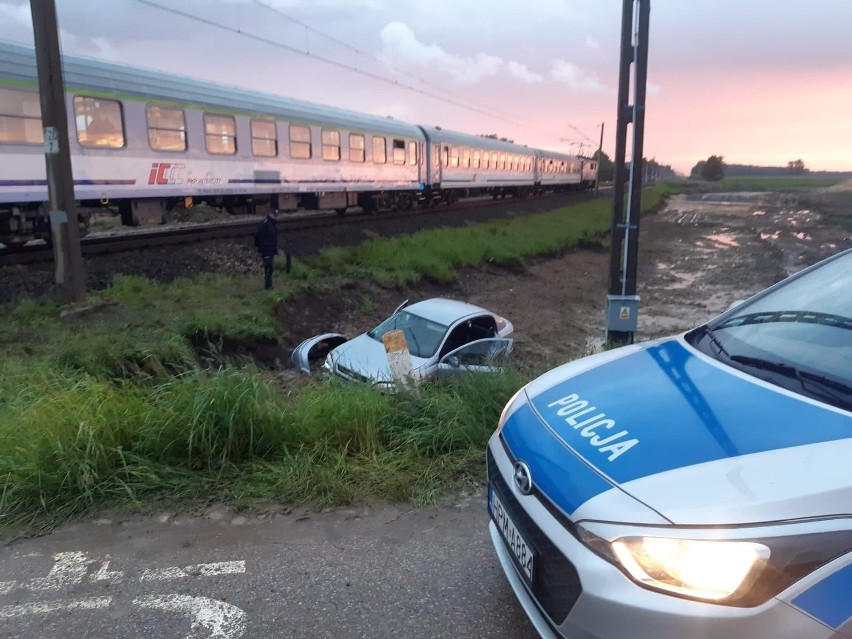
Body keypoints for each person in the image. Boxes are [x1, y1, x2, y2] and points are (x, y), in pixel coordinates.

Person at [254, 209, 278, 290]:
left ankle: (269, 285)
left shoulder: (272, 224)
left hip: (270, 249)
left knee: (270, 267)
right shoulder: (265, 224)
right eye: (274, 214)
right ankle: (267, 286)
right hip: (266, 249)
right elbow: (258, 236)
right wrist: (260, 247)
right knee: (268, 267)